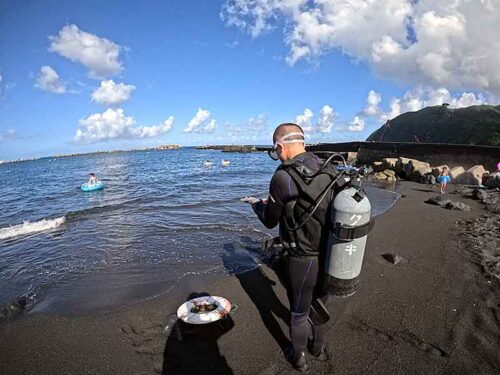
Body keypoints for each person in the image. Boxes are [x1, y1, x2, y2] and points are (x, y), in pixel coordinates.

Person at [242, 123, 335, 372]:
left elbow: (270, 220)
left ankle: (299, 356)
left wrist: (257, 205)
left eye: (276, 150)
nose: (277, 156)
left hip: (302, 258)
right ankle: (319, 347)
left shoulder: (283, 176)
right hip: (331, 255)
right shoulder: (329, 168)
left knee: (299, 312)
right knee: (321, 305)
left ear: (280, 146)